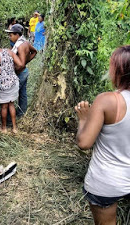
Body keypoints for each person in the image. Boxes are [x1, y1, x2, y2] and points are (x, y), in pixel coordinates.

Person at [75, 45, 130, 225]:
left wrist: (83, 119)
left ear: (117, 70)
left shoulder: (108, 100)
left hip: (107, 180)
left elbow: (84, 143)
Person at [0, 37, 23, 133]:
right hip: (14, 81)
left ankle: (4, 128)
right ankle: (14, 128)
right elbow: (20, 63)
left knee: (4, 107)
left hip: (3, 84)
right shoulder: (9, 51)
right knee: (11, 104)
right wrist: (11, 71)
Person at [5, 24, 37, 118]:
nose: (10, 37)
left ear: (17, 35)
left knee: (10, 95)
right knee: (22, 94)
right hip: (24, 71)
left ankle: (9, 118)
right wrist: (27, 61)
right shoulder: (25, 42)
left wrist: (13, 71)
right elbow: (34, 51)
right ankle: (22, 114)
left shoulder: (20, 46)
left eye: (11, 35)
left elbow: (21, 64)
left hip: (20, 73)